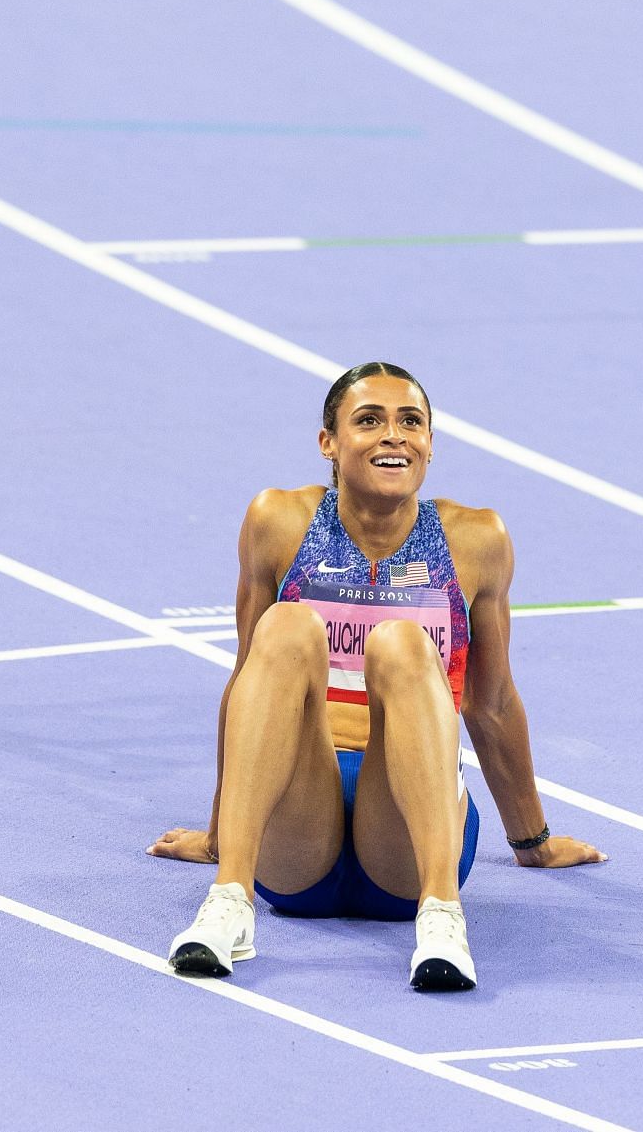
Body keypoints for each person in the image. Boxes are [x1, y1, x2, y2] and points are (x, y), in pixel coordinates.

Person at [149, 361, 604, 990]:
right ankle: (229, 902)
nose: (394, 436)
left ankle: (441, 917)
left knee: (402, 644)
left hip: (407, 842)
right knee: (283, 628)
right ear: (328, 444)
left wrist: (534, 840)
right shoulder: (278, 522)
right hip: (299, 831)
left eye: (410, 422)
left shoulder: (475, 539)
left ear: (429, 445)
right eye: (369, 421)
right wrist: (221, 829)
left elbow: (491, 702)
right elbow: (247, 684)